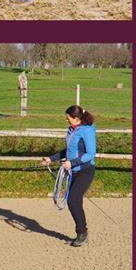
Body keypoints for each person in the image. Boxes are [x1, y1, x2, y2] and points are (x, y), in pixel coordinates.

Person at [42, 105, 98, 247]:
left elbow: (90, 154)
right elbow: (69, 150)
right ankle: (81, 233)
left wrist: (72, 163)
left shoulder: (87, 131)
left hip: (85, 170)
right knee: (74, 201)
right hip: (73, 171)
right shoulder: (72, 130)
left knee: (73, 200)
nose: (67, 121)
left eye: (68, 118)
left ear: (76, 118)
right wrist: (51, 158)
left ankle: (82, 233)